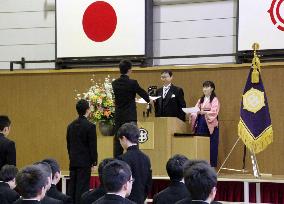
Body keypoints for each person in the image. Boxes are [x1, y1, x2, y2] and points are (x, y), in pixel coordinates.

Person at [112, 59, 151, 157]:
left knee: (118, 141)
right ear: (129, 70)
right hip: (130, 117)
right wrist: (149, 100)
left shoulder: (115, 83)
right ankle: (135, 161)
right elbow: (142, 93)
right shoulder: (133, 83)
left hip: (119, 117)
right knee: (133, 140)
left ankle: (117, 162)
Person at [66, 99, 98, 204]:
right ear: (88, 110)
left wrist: (71, 157)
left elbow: (69, 145)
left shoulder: (70, 126)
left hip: (73, 161)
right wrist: (94, 162)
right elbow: (92, 146)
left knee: (73, 188)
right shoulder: (90, 126)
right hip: (85, 163)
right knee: (82, 188)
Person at [117, 123, 152, 204]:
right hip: (141, 199)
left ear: (124, 138)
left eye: (120, 140)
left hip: (126, 200)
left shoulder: (122, 158)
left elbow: (119, 183)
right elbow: (148, 182)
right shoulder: (146, 158)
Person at [189, 81, 220, 167]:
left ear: (212, 89)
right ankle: (200, 165)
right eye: (204, 87)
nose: (205, 89)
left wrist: (204, 112)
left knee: (211, 144)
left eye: (207, 87)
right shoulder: (200, 100)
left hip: (210, 123)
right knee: (200, 143)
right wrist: (192, 113)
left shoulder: (214, 99)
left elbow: (214, 112)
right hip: (200, 123)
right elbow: (195, 110)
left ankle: (211, 166)